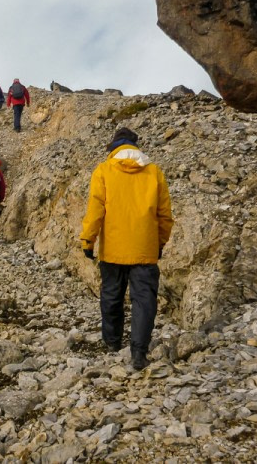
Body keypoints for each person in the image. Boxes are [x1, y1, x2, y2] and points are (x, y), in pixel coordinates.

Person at [79, 127, 174, 371]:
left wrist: (88, 240)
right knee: (144, 300)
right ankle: (139, 353)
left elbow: (95, 210)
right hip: (144, 248)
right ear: (136, 146)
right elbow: (164, 216)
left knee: (112, 295)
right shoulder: (154, 172)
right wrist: (159, 243)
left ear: (113, 148)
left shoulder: (103, 170)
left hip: (113, 249)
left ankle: (112, 343)